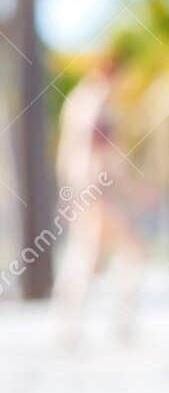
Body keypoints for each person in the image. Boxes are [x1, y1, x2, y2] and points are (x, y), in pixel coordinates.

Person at [53, 50, 150, 345]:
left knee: (90, 253)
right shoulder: (97, 100)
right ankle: (110, 320)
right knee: (122, 252)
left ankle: (72, 322)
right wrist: (132, 188)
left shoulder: (77, 100)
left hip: (83, 188)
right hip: (97, 190)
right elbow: (102, 149)